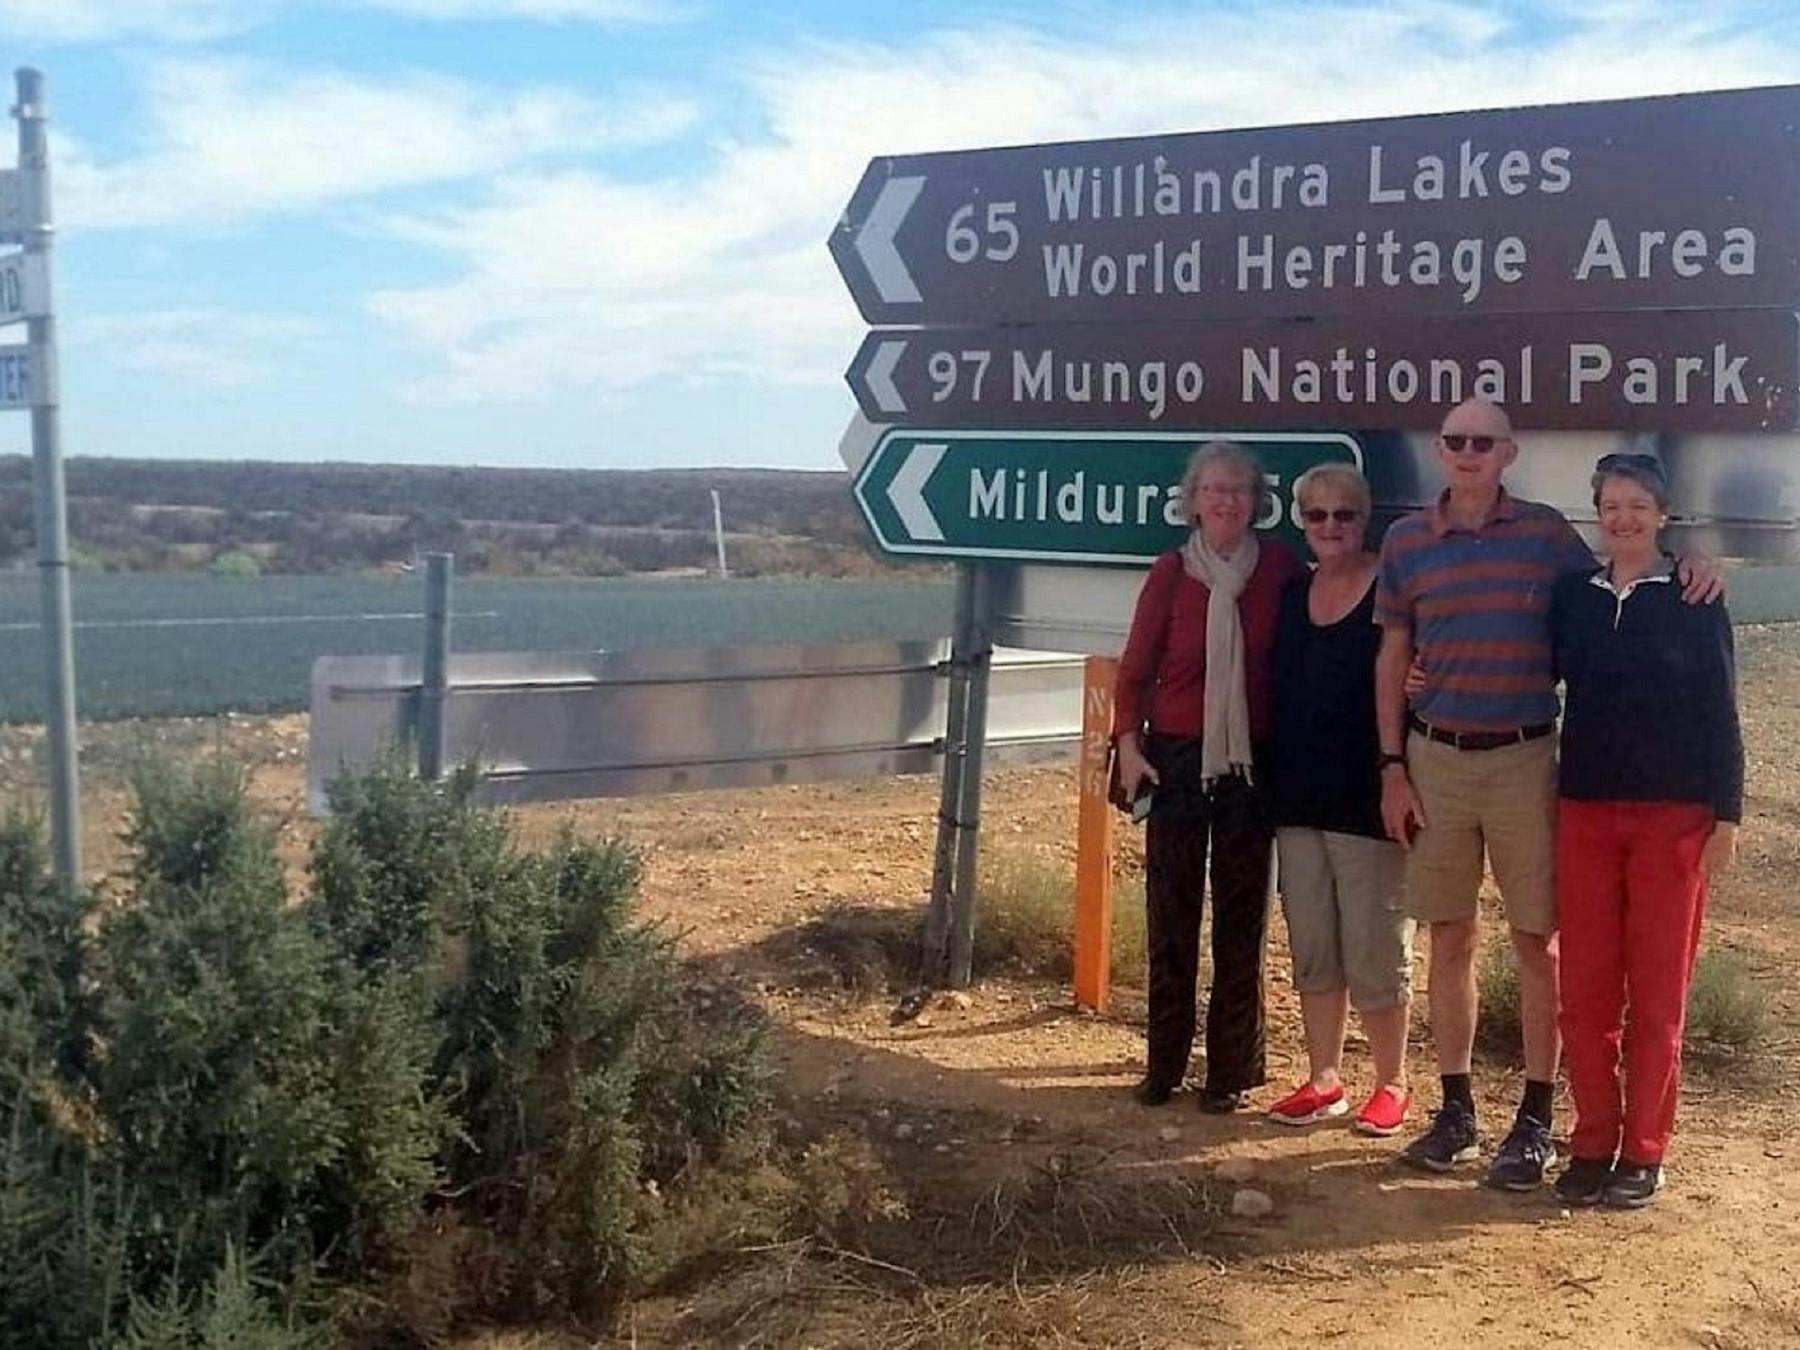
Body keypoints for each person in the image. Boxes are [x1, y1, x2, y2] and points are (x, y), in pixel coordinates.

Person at [1374, 398, 1722, 1190]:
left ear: (1509, 453)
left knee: (1539, 942)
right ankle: (1456, 1107)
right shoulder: (1404, 541)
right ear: (1440, 449)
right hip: (1435, 759)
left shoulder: (1544, 537)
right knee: (1450, 935)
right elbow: (1394, 653)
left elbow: (1623, 571)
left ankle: (1534, 1118)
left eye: (1483, 442)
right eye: (1456, 440)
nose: (1468, 453)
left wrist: (1696, 558)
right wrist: (1391, 762)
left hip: (1529, 760)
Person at [1548, 454, 1742, 1210]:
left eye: (1638, 505)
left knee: (1657, 995)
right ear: (1597, 513)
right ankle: (1592, 1139)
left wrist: (1726, 816)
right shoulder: (1575, 598)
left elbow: (1721, 713)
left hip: (1675, 818)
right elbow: (1529, 670)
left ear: (1663, 514)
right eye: (1612, 505)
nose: (1624, 518)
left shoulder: (1695, 596)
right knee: (1585, 991)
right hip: (1586, 812)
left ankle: (1644, 1150)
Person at [1113, 441, 1300, 1111]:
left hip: (1252, 762)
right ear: (1192, 499)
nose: (1227, 500)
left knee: (1242, 920)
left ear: (1257, 501)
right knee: (1171, 915)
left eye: (1239, 490)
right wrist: (1127, 747)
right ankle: (1163, 1064)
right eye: (1215, 489)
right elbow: (1134, 671)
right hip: (1176, 761)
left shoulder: (1278, 567)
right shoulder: (1171, 573)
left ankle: (1231, 1071)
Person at [1264, 463, 1414, 1137]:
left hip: (1368, 799)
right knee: (1315, 949)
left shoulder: (1393, 589)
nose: (1330, 527)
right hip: (1297, 798)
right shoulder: (1295, 590)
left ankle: (1393, 1083)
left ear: (1366, 518)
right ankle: (1324, 1079)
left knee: (1376, 947)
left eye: (1343, 515)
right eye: (1317, 516)